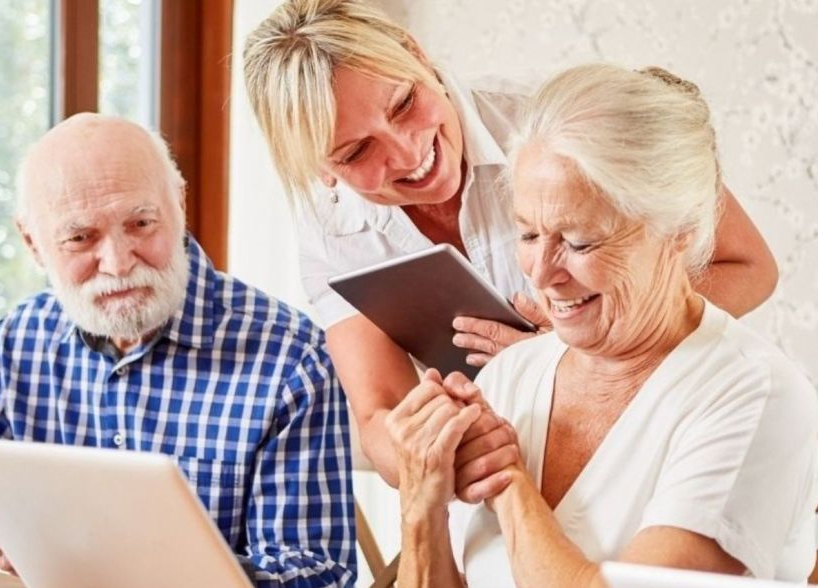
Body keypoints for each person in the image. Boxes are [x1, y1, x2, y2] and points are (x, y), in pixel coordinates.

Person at [242, 0, 780, 491]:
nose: (407, 155)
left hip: (661, 431)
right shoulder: (330, 225)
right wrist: (428, 453)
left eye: (404, 103)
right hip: (508, 474)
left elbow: (750, 267)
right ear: (322, 168)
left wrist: (574, 351)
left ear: (417, 55)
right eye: (357, 151)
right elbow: (379, 415)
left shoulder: (549, 123)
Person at [386, 63, 818, 588]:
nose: (540, 273)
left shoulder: (756, 396)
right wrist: (420, 505)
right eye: (528, 233)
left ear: (679, 231)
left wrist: (510, 485)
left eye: (579, 240)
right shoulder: (512, 376)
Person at [0, 113, 360, 588]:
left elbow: (317, 583)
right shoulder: (19, 341)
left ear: (177, 206)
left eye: (140, 224)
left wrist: (108, 569)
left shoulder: (289, 356)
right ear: (33, 243)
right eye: (81, 238)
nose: (118, 262)